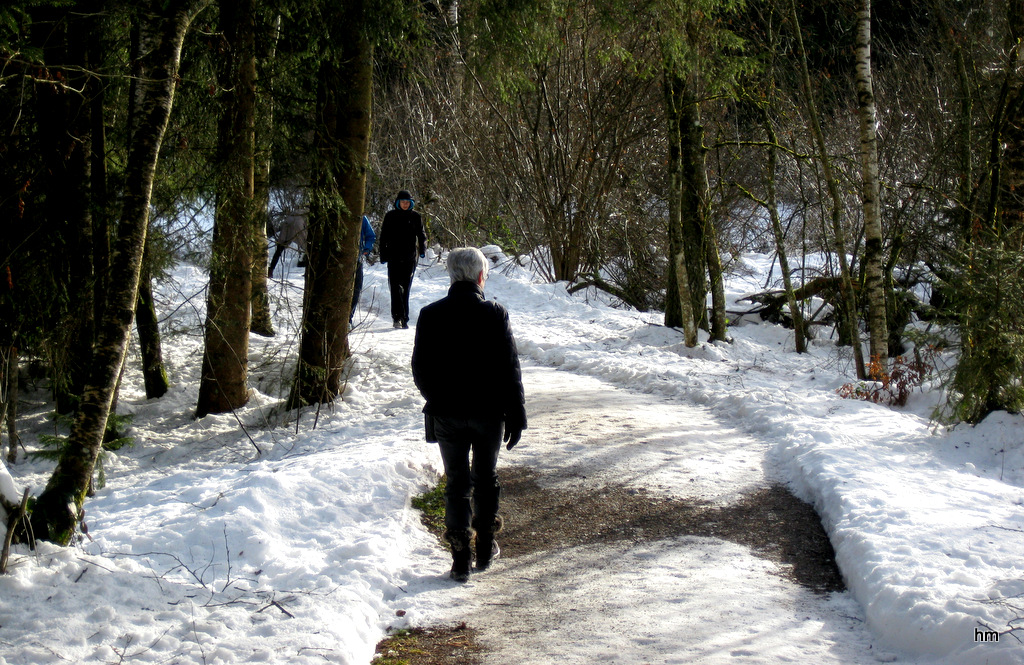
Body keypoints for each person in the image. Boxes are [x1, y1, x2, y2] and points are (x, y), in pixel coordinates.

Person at [411, 247, 527, 583]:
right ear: (480, 276)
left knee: (456, 482)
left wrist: (437, 397)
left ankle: (460, 559)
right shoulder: (494, 313)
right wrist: (516, 413)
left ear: (451, 275)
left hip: (446, 414)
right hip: (489, 413)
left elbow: (420, 368)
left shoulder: (430, 314)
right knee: (485, 479)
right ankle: (486, 548)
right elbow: (510, 369)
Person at [378, 190, 426, 328]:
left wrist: (422, 250)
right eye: (403, 202)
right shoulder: (390, 216)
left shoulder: (415, 216)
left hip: (409, 257)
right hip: (393, 257)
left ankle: (405, 318)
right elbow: (384, 237)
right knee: (394, 287)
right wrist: (383, 255)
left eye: (407, 202)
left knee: (405, 288)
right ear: (398, 203)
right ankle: (396, 317)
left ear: (411, 203)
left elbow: (422, 235)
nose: (405, 205)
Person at [350, 215, 376, 325]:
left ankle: (349, 318)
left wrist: (367, 248)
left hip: (357, 258)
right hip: (337, 259)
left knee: (356, 289)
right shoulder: (335, 213)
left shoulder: (361, 217)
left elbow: (371, 236)